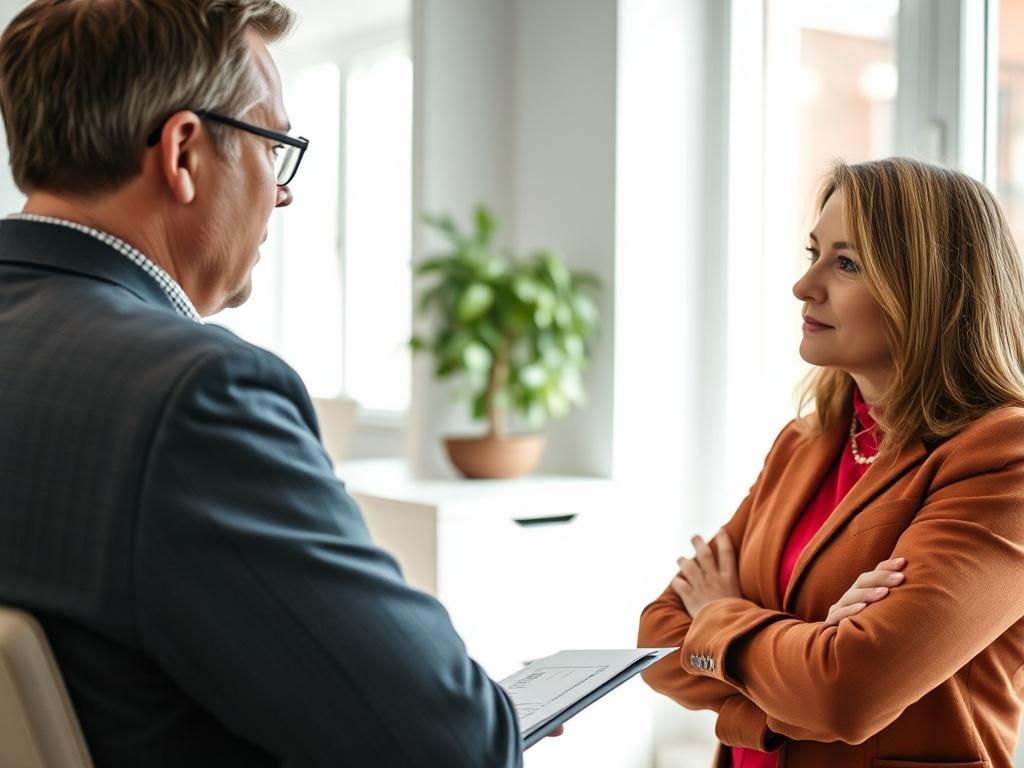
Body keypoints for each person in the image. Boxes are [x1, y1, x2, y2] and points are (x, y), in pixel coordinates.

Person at [0, 1, 522, 766]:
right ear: (182, 154)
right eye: (274, 146)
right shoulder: (194, 398)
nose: (283, 192)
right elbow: (452, 746)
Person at [638, 157, 1024, 767]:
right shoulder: (805, 441)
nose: (804, 285)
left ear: (927, 289)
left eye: (846, 263)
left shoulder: (1004, 459)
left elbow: (845, 692)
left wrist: (717, 614)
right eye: (812, 253)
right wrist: (809, 659)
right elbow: (657, 640)